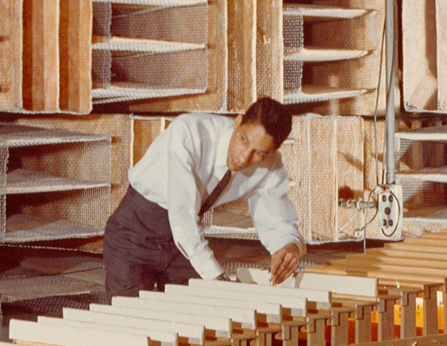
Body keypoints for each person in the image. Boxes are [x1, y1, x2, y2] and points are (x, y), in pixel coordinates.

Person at [103, 97, 304, 299]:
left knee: (196, 315)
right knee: (131, 319)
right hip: (135, 233)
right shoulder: (189, 132)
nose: (244, 157)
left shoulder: (271, 164)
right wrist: (218, 279)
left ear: (272, 151)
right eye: (243, 140)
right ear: (237, 121)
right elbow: (182, 213)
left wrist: (288, 248)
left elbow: (278, 220)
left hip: (184, 242)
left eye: (259, 153)